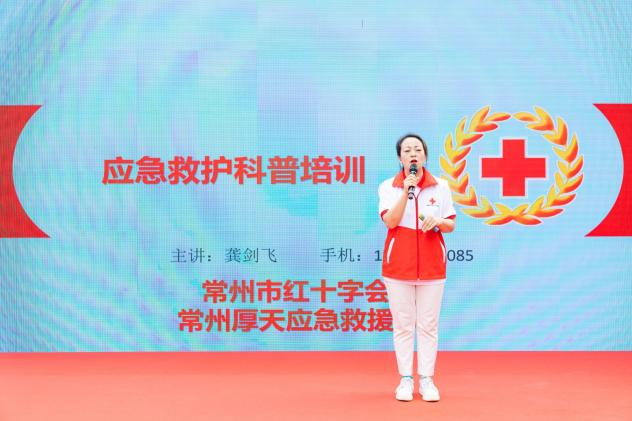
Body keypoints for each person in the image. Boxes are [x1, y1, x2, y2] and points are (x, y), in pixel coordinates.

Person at [378, 134, 456, 402]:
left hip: (432, 266)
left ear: (425, 155)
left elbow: (451, 223)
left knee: (428, 325)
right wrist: (405, 192)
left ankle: (426, 379)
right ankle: (405, 380)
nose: (413, 154)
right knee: (403, 325)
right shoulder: (388, 187)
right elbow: (390, 221)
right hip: (398, 266)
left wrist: (438, 221)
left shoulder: (441, 187)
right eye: (407, 150)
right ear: (400, 158)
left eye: (418, 150)